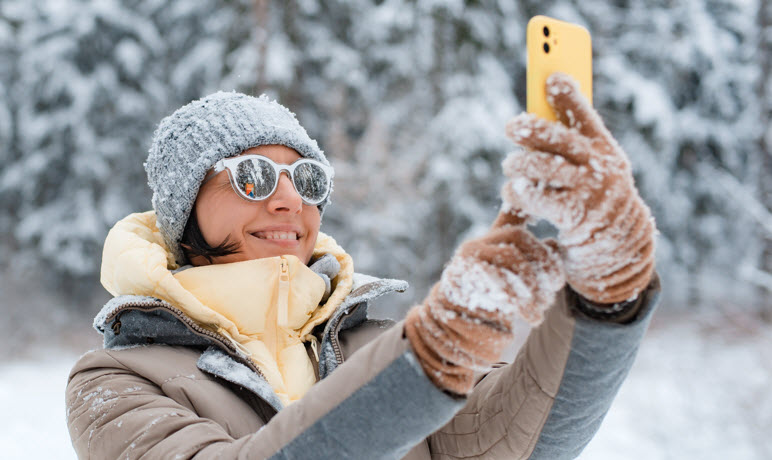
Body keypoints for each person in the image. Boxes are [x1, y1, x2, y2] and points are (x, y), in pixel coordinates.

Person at [65, 73, 661, 459]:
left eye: (307, 179)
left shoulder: (369, 344)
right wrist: (424, 358)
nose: (288, 200)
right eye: (251, 175)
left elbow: (516, 444)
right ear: (184, 211)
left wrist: (607, 298)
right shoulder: (116, 381)